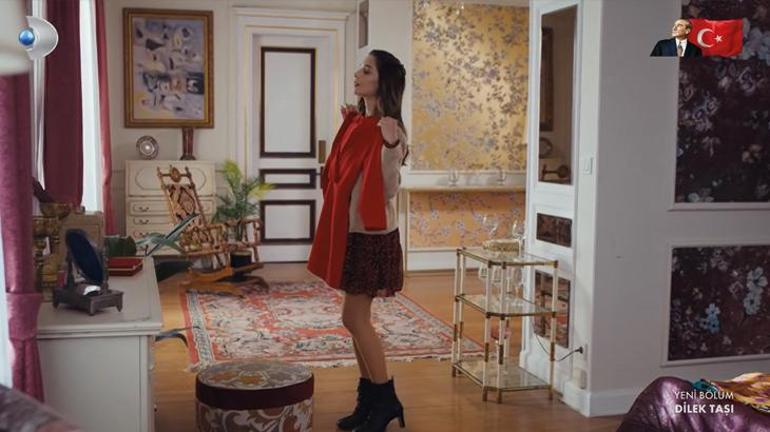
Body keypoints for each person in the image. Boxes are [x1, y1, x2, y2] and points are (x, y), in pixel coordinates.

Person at [307, 49, 408, 432]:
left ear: (382, 82)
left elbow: (387, 190)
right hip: (353, 234)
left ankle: (385, 400)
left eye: (366, 70)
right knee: (355, 320)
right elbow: (338, 174)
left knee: (354, 318)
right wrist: (350, 126)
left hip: (372, 238)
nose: (357, 74)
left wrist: (390, 147)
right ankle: (370, 401)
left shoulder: (389, 129)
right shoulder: (359, 123)